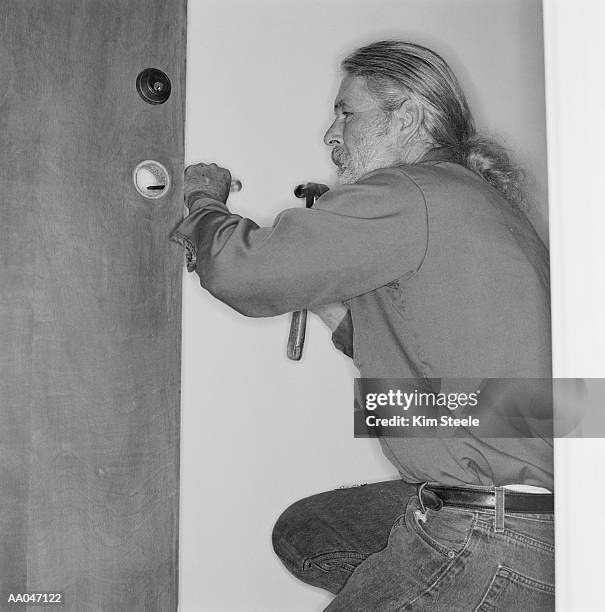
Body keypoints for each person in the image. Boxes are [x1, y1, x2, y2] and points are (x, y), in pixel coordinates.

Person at [170, 41, 554, 611]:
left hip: (492, 532)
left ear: (409, 115)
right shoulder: (480, 205)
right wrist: (345, 321)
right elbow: (481, 392)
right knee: (308, 533)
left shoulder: (410, 192)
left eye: (346, 113)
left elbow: (242, 270)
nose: (331, 135)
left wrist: (202, 202)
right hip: (549, 519)